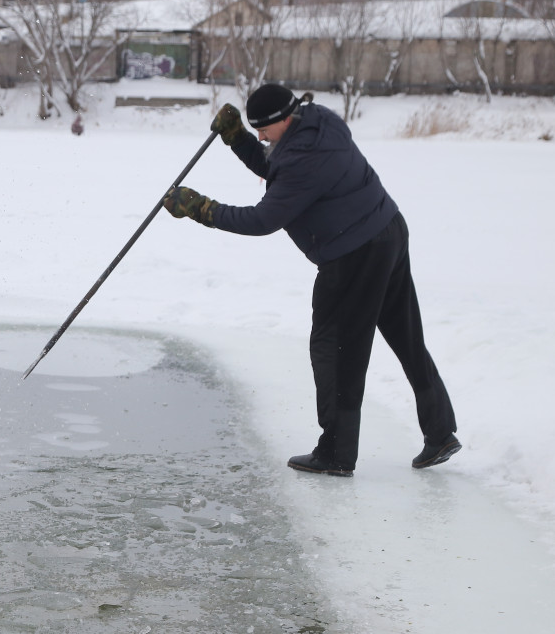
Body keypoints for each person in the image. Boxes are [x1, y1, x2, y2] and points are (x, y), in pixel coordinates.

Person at [162, 85, 460, 476]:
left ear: (283, 119)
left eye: (262, 131)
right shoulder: (319, 122)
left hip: (352, 254)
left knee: (335, 349)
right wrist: (236, 141)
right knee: (405, 336)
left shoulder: (304, 160)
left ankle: (336, 453)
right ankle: (440, 432)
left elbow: (263, 219)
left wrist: (203, 209)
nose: (261, 139)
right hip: (387, 230)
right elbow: (279, 165)